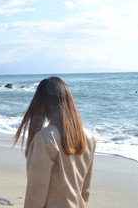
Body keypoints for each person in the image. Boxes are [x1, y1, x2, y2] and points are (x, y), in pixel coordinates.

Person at [14, 77, 96, 208]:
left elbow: (36, 192)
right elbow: (85, 190)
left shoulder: (46, 138)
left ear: (41, 104)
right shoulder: (89, 137)